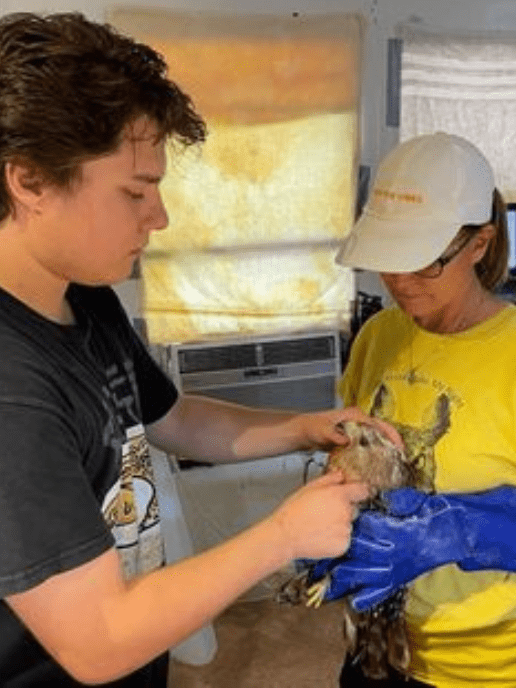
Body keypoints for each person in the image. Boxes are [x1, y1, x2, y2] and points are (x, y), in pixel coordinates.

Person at [0, 11, 402, 688]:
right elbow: (97, 640)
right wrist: (283, 536)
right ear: (30, 180)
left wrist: (303, 429)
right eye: (135, 191)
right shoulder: (13, 386)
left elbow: (174, 420)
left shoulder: (84, 297)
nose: (158, 217)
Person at [307, 131, 516, 687]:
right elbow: (351, 450)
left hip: (486, 667)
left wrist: (464, 531)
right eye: (389, 260)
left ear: (479, 244)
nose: (399, 282)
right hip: (379, 642)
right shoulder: (379, 335)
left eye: (424, 263)